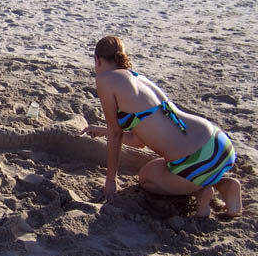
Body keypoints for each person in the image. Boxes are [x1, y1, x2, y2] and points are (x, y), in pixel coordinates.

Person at [81, 36, 241, 218]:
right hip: (216, 141)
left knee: (146, 178)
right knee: (160, 167)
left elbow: (116, 135)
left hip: (193, 160)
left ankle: (200, 190)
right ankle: (224, 184)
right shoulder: (137, 78)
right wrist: (103, 131)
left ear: (97, 59)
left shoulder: (105, 79)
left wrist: (110, 181)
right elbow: (138, 140)